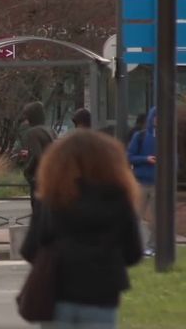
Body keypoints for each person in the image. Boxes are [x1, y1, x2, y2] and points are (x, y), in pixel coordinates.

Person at [21, 130, 142, 328]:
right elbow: (133, 252)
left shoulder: (52, 198)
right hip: (102, 293)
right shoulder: (118, 198)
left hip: (57, 291)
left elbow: (30, 248)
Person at [127, 107, 157, 257]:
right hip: (141, 182)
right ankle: (136, 245)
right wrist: (146, 159)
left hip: (159, 184)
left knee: (157, 217)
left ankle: (152, 246)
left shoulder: (168, 136)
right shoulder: (140, 136)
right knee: (136, 216)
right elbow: (130, 156)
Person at [20, 101, 56, 212]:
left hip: (39, 178)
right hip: (53, 175)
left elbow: (37, 156)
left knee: (39, 213)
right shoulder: (50, 131)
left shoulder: (32, 133)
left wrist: (27, 171)